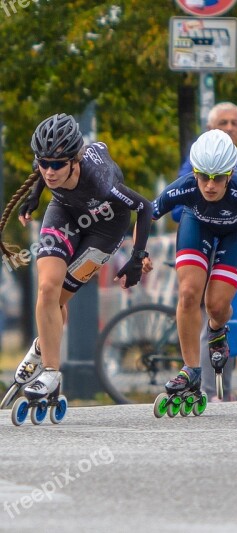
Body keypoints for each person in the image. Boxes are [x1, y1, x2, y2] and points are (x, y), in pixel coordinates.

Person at [0, 113, 153, 402]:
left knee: (58, 300)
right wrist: (35, 196)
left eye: (57, 165)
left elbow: (144, 207)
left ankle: (43, 345)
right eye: (43, 163)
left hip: (106, 227)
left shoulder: (101, 181)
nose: (49, 171)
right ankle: (50, 371)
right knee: (47, 289)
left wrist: (137, 257)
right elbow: (43, 174)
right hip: (65, 211)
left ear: (75, 160)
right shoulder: (47, 162)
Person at [151, 129, 237, 400]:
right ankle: (190, 370)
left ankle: (217, 329)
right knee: (188, 293)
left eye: (218, 178)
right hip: (197, 225)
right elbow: (146, 214)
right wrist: (137, 253)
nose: (210, 185)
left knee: (216, 306)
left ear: (230, 175)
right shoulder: (184, 186)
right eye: (203, 177)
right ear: (195, 172)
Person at [177, 102, 237, 402]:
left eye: (235, 123)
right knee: (191, 298)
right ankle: (196, 377)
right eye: (223, 122)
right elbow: (173, 208)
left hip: (230, 243)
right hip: (199, 242)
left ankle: (224, 389)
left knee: (218, 309)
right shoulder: (200, 159)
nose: (230, 128)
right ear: (209, 128)